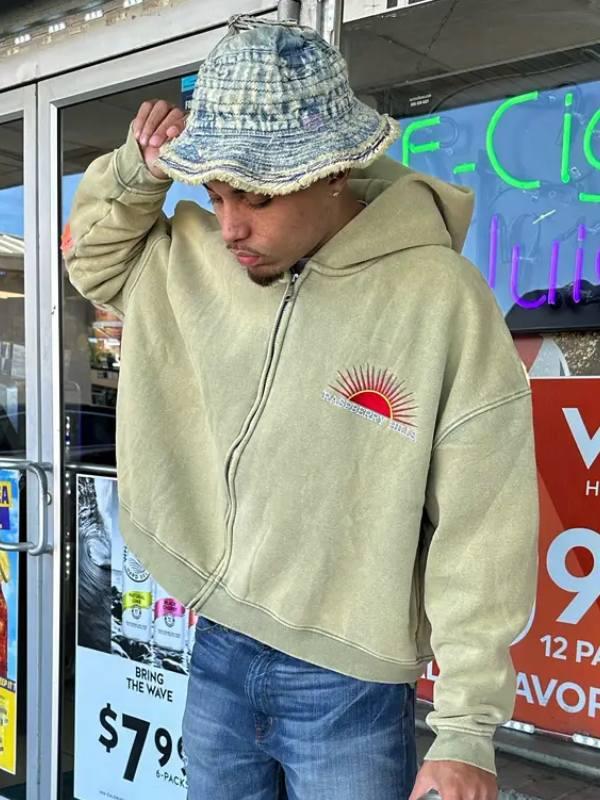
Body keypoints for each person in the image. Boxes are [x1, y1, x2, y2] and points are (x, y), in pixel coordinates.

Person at [63, 15, 539, 800]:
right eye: (215, 194)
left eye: (255, 196)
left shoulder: (438, 298)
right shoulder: (195, 256)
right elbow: (91, 260)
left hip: (349, 680)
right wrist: (136, 173)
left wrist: (465, 729)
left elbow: (483, 523)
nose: (231, 226)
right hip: (218, 645)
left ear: (332, 173)